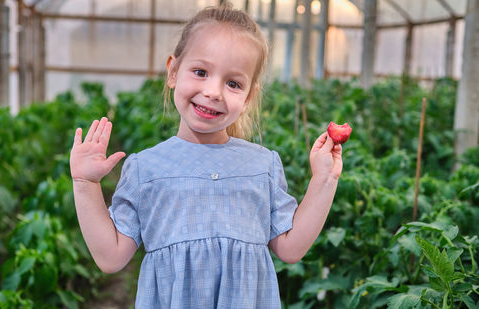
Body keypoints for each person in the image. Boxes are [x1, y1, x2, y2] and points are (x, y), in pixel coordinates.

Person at [70, 5, 343, 309]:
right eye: (200, 72)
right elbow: (110, 257)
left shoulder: (262, 165)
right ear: (173, 72)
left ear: (248, 97)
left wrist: (324, 179)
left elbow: (291, 248)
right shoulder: (145, 168)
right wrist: (85, 183)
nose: (214, 91)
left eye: (233, 83)